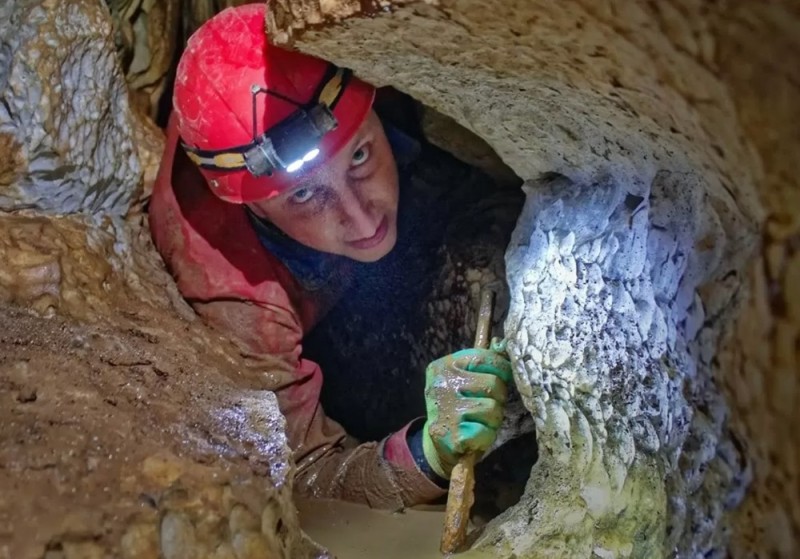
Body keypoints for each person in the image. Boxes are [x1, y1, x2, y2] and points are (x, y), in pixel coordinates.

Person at [149, 3, 513, 509]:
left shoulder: (375, 61)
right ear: (254, 207)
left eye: (360, 156)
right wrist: (428, 452)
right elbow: (304, 475)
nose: (363, 221)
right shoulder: (234, 285)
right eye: (303, 196)